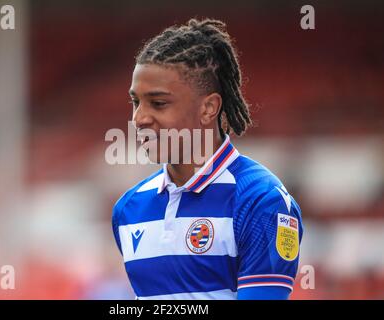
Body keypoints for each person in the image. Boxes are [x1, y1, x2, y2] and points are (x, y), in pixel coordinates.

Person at [112, 18, 303, 300]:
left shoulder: (262, 202)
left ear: (208, 108)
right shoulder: (128, 210)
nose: (139, 118)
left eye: (158, 103)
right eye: (135, 102)